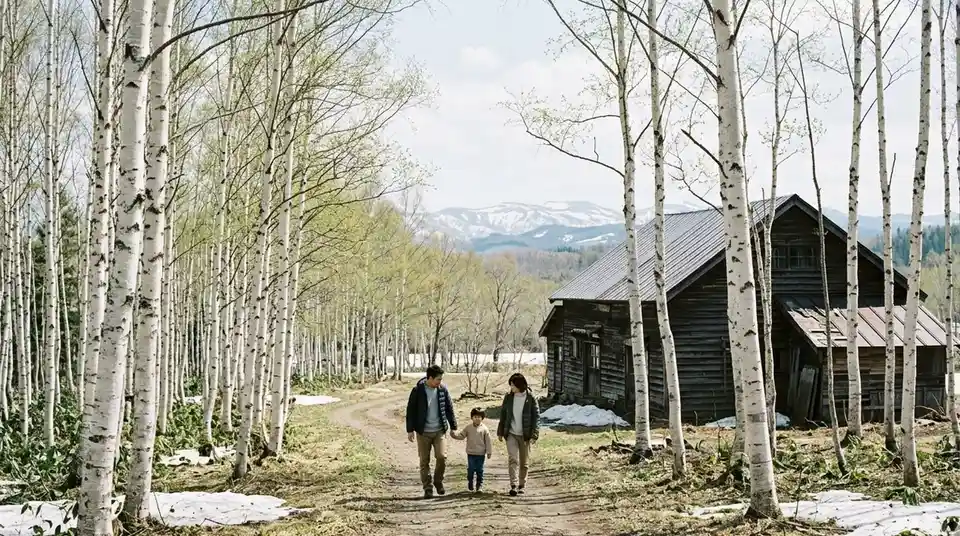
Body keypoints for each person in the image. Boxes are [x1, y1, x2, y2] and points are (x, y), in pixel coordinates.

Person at [405, 364, 458, 498]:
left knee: (442, 457)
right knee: (424, 461)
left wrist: (453, 427)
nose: (440, 382)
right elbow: (410, 410)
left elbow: (449, 408)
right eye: (438, 379)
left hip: (439, 430)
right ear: (430, 377)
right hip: (423, 432)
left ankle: (438, 481)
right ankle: (427, 488)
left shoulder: (442, 390)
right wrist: (410, 430)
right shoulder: (418, 390)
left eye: (441, 379)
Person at [496, 372, 540, 496]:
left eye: (513, 385)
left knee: (524, 462)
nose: (511, 388)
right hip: (511, 433)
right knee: (513, 459)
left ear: (520, 385)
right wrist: (500, 432)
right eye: (510, 385)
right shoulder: (509, 397)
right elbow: (503, 415)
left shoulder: (530, 398)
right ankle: (513, 485)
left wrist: (534, 434)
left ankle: (522, 484)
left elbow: (536, 418)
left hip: (525, 434)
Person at [451, 407, 493, 492]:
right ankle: (470, 481)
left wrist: (489, 452)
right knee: (471, 469)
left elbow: (488, 441)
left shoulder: (484, 429)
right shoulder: (468, 428)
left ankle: (479, 485)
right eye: (475, 417)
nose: (477, 419)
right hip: (471, 453)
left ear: (482, 418)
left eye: (479, 417)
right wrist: (454, 435)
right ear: (472, 418)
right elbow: (462, 435)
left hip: (481, 454)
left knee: (479, 470)